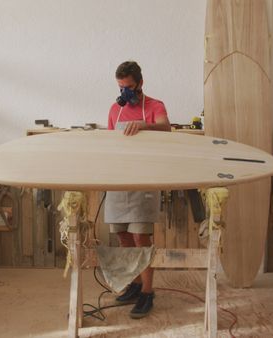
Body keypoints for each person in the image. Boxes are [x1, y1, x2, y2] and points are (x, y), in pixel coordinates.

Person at [104, 61, 170, 319]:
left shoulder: (155, 106)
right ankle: (133, 285)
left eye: (129, 87)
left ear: (140, 83)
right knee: (122, 236)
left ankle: (147, 292)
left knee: (141, 238)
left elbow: (167, 129)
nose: (124, 93)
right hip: (118, 180)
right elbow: (110, 142)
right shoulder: (114, 110)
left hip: (144, 180)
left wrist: (145, 126)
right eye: (120, 88)